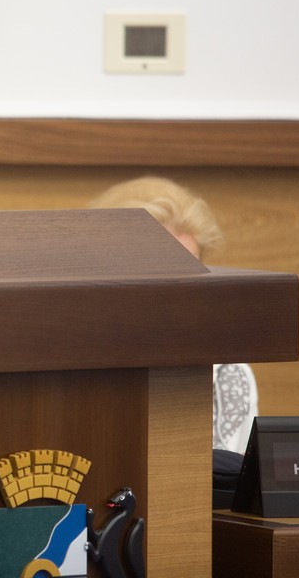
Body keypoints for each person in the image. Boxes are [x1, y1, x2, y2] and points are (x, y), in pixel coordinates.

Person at [89, 176, 257, 453]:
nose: (177, 292)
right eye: (160, 273)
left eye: (189, 273)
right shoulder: (67, 370)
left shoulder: (228, 376)